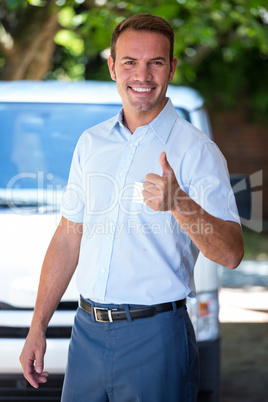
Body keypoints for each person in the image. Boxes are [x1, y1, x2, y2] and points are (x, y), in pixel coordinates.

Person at [20, 13, 244, 402]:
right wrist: (37, 326)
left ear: (171, 67)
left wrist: (179, 203)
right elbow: (69, 237)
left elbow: (232, 253)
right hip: (86, 333)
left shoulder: (197, 151)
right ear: (112, 66)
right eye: (130, 62)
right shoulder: (91, 143)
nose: (142, 75)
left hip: (156, 338)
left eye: (155, 62)